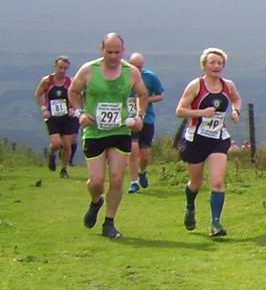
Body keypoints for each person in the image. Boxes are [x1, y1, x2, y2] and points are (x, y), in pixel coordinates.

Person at [68, 33, 148, 239]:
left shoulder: (131, 72)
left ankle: (109, 222)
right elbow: (73, 92)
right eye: (109, 52)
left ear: (123, 51)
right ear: (101, 50)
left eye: (117, 52)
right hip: (94, 131)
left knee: (117, 178)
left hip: (120, 130)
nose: (113, 56)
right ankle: (96, 202)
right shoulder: (88, 70)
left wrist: (139, 115)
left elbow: (142, 94)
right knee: (96, 181)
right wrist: (80, 113)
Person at [173, 47, 243, 237]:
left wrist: (236, 111)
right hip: (196, 140)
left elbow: (237, 99)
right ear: (204, 65)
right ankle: (190, 206)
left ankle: (216, 223)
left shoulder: (228, 85)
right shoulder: (196, 86)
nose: (216, 66)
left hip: (218, 139)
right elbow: (180, 110)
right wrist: (201, 113)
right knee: (195, 182)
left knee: (218, 181)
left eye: (220, 63)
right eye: (212, 62)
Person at [33, 56, 80, 177]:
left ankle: (64, 169)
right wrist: (43, 108)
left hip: (67, 117)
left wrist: (73, 108)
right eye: (60, 68)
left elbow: (78, 96)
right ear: (55, 67)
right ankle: (52, 153)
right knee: (57, 143)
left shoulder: (71, 82)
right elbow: (38, 94)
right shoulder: (47, 81)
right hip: (52, 116)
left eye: (65, 68)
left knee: (66, 145)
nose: (62, 71)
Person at [126, 52, 165, 193]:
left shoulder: (150, 76)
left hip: (147, 119)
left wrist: (145, 100)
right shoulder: (122, 76)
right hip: (129, 119)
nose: (138, 69)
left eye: (140, 67)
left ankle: (142, 171)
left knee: (145, 154)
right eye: (135, 66)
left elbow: (160, 95)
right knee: (133, 149)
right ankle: (134, 182)